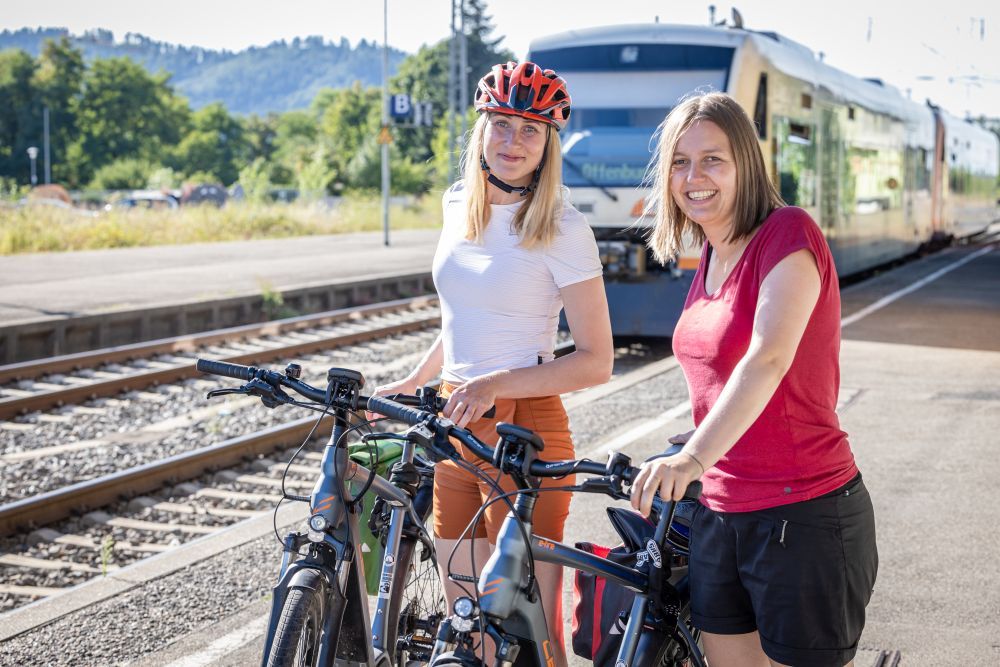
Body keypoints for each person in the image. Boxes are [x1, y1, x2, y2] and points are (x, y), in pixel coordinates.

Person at [373, 61, 613, 666]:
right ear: (480, 131)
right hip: (458, 421)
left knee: (533, 635)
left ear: (548, 145)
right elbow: (465, 315)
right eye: (501, 123)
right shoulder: (459, 203)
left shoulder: (562, 227)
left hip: (524, 429)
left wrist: (493, 383)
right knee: (467, 627)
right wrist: (417, 379)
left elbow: (595, 361)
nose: (512, 140)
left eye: (530, 130)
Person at [629, 92, 878, 667]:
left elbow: (768, 358)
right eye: (680, 161)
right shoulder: (712, 254)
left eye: (713, 159)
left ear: (747, 163)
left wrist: (691, 458)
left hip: (804, 510)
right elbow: (715, 381)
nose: (694, 177)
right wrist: (681, 457)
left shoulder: (786, 233)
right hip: (721, 512)